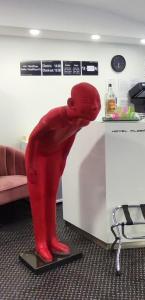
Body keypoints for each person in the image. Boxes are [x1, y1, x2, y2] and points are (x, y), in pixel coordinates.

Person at [25, 82, 101, 262]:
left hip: (54, 157)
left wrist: (63, 160)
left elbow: (69, 138)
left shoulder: (82, 119)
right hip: (38, 159)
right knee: (39, 200)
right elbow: (33, 140)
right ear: (71, 103)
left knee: (51, 198)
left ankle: (52, 239)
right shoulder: (54, 117)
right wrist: (30, 167)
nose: (84, 121)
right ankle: (41, 243)